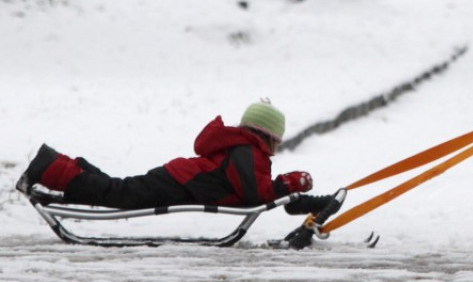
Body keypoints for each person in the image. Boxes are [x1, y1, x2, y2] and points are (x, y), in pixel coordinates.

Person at [16, 100, 338, 217]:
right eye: (276, 141)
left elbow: (257, 194)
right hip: (177, 183)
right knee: (118, 195)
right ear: (268, 136)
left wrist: (296, 196)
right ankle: (49, 167)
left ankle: (60, 167)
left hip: (178, 179)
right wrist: (287, 183)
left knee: (119, 190)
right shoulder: (247, 152)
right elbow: (254, 195)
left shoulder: (245, 150)